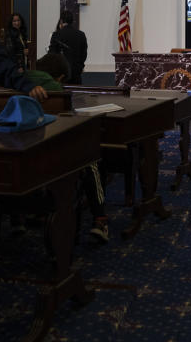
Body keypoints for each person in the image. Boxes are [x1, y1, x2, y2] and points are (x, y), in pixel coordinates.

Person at [24, 52, 110, 243]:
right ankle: (100, 219)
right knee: (92, 159)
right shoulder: (54, 90)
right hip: (51, 152)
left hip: (20, 151)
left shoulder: (17, 79)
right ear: (61, 77)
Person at [49, 10, 87, 85]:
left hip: (61, 74)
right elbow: (84, 54)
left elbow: (52, 54)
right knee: (76, 95)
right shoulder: (81, 34)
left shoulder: (56, 35)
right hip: (76, 73)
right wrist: (80, 67)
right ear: (72, 21)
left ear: (61, 21)